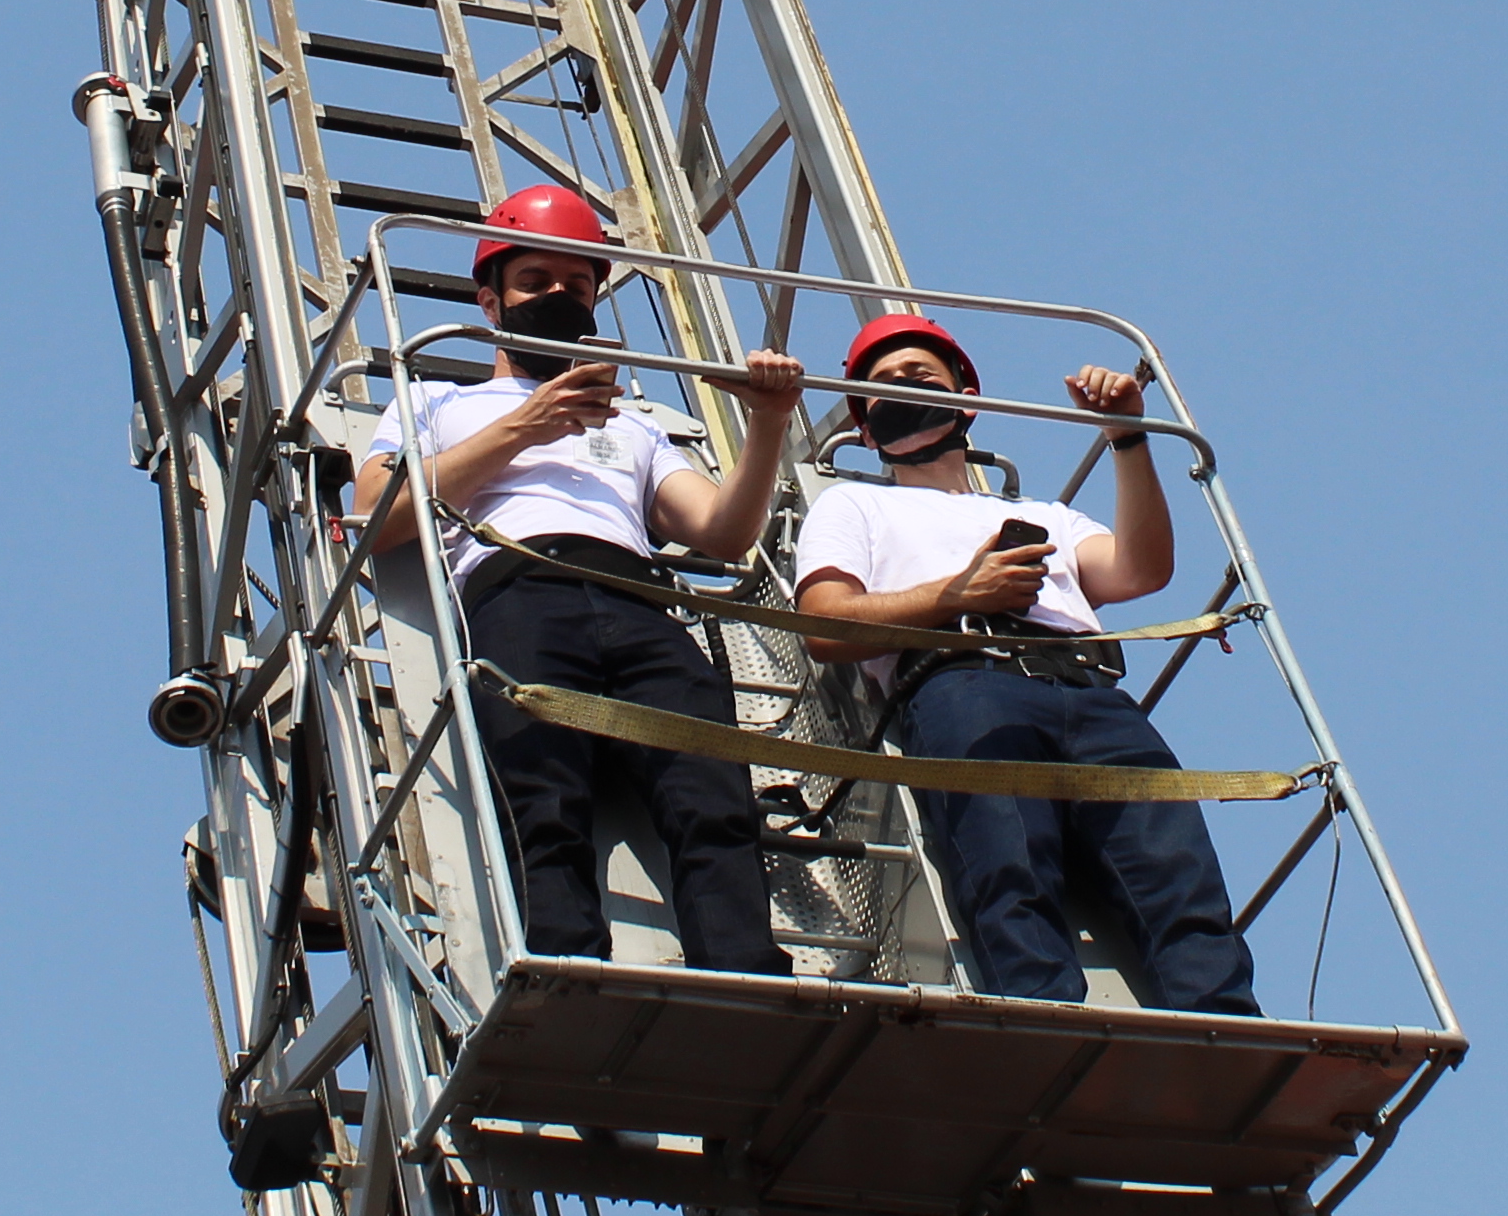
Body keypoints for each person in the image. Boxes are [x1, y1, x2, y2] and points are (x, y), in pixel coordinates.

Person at [353, 187, 804, 978]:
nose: (557, 297)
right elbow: (375, 514)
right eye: (535, 282)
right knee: (542, 797)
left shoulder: (634, 425)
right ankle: (567, 973)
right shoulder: (437, 402)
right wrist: (526, 426)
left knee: (711, 793)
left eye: (576, 284)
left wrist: (768, 421)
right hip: (518, 590)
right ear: (490, 300)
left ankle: (742, 969)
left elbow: (723, 531)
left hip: (639, 601)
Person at [786, 313, 1260, 1015]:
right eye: (882, 385)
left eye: (919, 376)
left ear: (966, 401)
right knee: (1007, 866)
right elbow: (825, 623)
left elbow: (1141, 569)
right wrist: (958, 594)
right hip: (962, 682)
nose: (903, 389)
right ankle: (1045, 1022)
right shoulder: (854, 506)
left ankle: (1224, 1024)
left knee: (1175, 870)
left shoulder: (1046, 516)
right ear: (863, 427)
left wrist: (1127, 437)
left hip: (1089, 691)